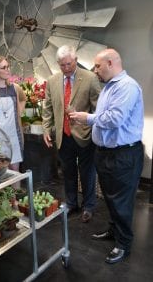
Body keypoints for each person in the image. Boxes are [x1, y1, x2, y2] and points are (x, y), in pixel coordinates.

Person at [69, 48, 144, 263]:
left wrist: (88, 118)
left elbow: (115, 119)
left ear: (111, 63)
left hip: (123, 154)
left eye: (98, 66)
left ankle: (124, 244)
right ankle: (114, 231)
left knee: (121, 201)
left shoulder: (127, 87)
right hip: (106, 153)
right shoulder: (110, 87)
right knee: (111, 198)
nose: (95, 70)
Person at [42, 45, 101, 223]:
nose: (66, 68)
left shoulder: (90, 78)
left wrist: (89, 122)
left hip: (85, 135)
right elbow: (48, 108)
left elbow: (99, 109)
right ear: (58, 64)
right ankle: (71, 203)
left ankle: (89, 205)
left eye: (69, 64)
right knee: (68, 171)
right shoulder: (52, 81)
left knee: (87, 172)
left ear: (75, 60)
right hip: (63, 135)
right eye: (62, 65)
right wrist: (46, 129)